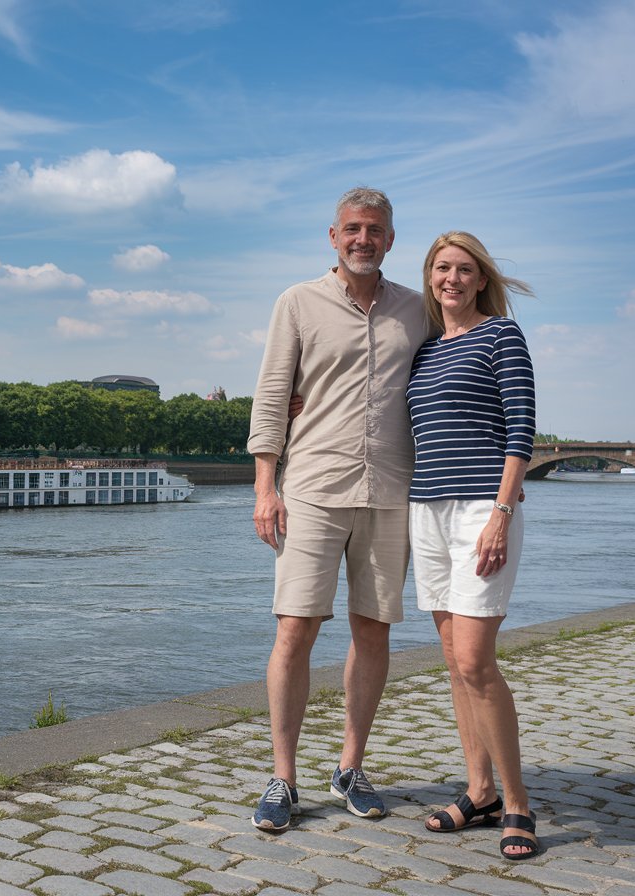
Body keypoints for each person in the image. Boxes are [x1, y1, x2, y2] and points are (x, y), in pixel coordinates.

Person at [247, 187, 432, 832]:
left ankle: (351, 766)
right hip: (313, 489)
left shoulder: (418, 309)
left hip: (389, 490)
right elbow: (273, 394)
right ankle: (283, 776)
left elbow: (448, 379)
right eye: (352, 229)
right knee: (294, 629)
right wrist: (265, 485)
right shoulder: (297, 303)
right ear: (334, 236)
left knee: (373, 630)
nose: (363, 239)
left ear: (390, 240)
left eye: (375, 230)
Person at [406, 231, 539, 861]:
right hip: (425, 511)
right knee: (453, 658)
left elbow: (521, 431)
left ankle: (517, 803)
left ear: (481, 278)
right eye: (441, 269)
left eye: (463, 269)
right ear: (430, 277)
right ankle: (479, 789)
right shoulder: (426, 351)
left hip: (479, 513)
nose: (451, 279)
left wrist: (501, 514)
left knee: (477, 661)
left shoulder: (501, 337)